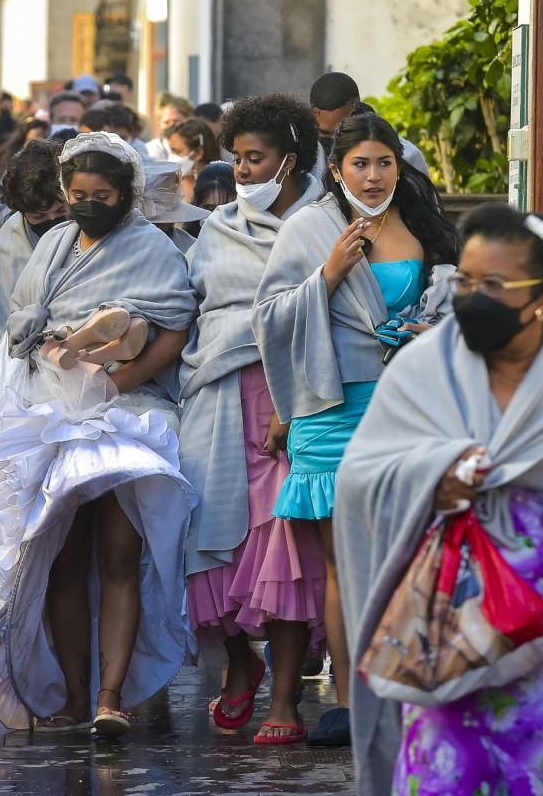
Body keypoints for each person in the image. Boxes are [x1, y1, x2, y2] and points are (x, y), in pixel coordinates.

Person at [336, 205, 543, 796]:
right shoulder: (420, 368)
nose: (470, 296)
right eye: (464, 280)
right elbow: (361, 476)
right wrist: (431, 478)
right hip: (448, 629)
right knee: (450, 772)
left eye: (493, 285)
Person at [0, 132, 199, 739]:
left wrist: (119, 385)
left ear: (126, 195)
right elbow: (22, 320)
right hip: (54, 410)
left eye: (102, 195)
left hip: (130, 414)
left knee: (120, 557)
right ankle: (71, 694)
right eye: (78, 194)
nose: (88, 204)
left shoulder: (153, 248)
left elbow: (174, 326)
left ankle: (110, 696)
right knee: (62, 561)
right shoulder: (54, 246)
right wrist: (52, 348)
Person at [252, 112, 461, 747]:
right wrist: (329, 275)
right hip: (331, 405)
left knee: (406, 554)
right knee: (344, 565)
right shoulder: (311, 228)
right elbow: (268, 315)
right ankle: (347, 701)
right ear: (336, 171)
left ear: (400, 165)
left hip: (406, 404)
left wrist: (435, 329)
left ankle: (406, 690)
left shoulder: (423, 225)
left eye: (384, 163)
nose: (373, 177)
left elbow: (456, 305)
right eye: (359, 165)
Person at [178, 94, 329, 747]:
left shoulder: (327, 224)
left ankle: (287, 693)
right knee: (213, 543)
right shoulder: (218, 227)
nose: (241, 170)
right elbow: (194, 304)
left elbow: (331, 312)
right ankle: (241, 662)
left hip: (295, 396)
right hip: (218, 395)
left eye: (256, 158)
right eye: (236, 157)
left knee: (286, 550)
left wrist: (291, 399)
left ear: (290, 161)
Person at [0, 139, 68, 338]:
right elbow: (4, 324)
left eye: (60, 211)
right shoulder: (7, 247)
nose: (51, 221)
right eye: (38, 216)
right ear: (20, 212)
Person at [309, 72, 428, 177]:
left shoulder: (407, 156)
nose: (333, 142)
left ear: (356, 110)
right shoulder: (305, 159)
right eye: (324, 133)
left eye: (340, 131)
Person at [164, 118, 222, 202]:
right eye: (171, 151)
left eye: (177, 151)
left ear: (198, 153)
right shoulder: (170, 187)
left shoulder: (219, 190)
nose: (172, 157)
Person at [146, 92, 194, 159]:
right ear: (160, 123)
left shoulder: (197, 146)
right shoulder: (153, 148)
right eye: (166, 122)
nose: (171, 125)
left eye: (176, 121)